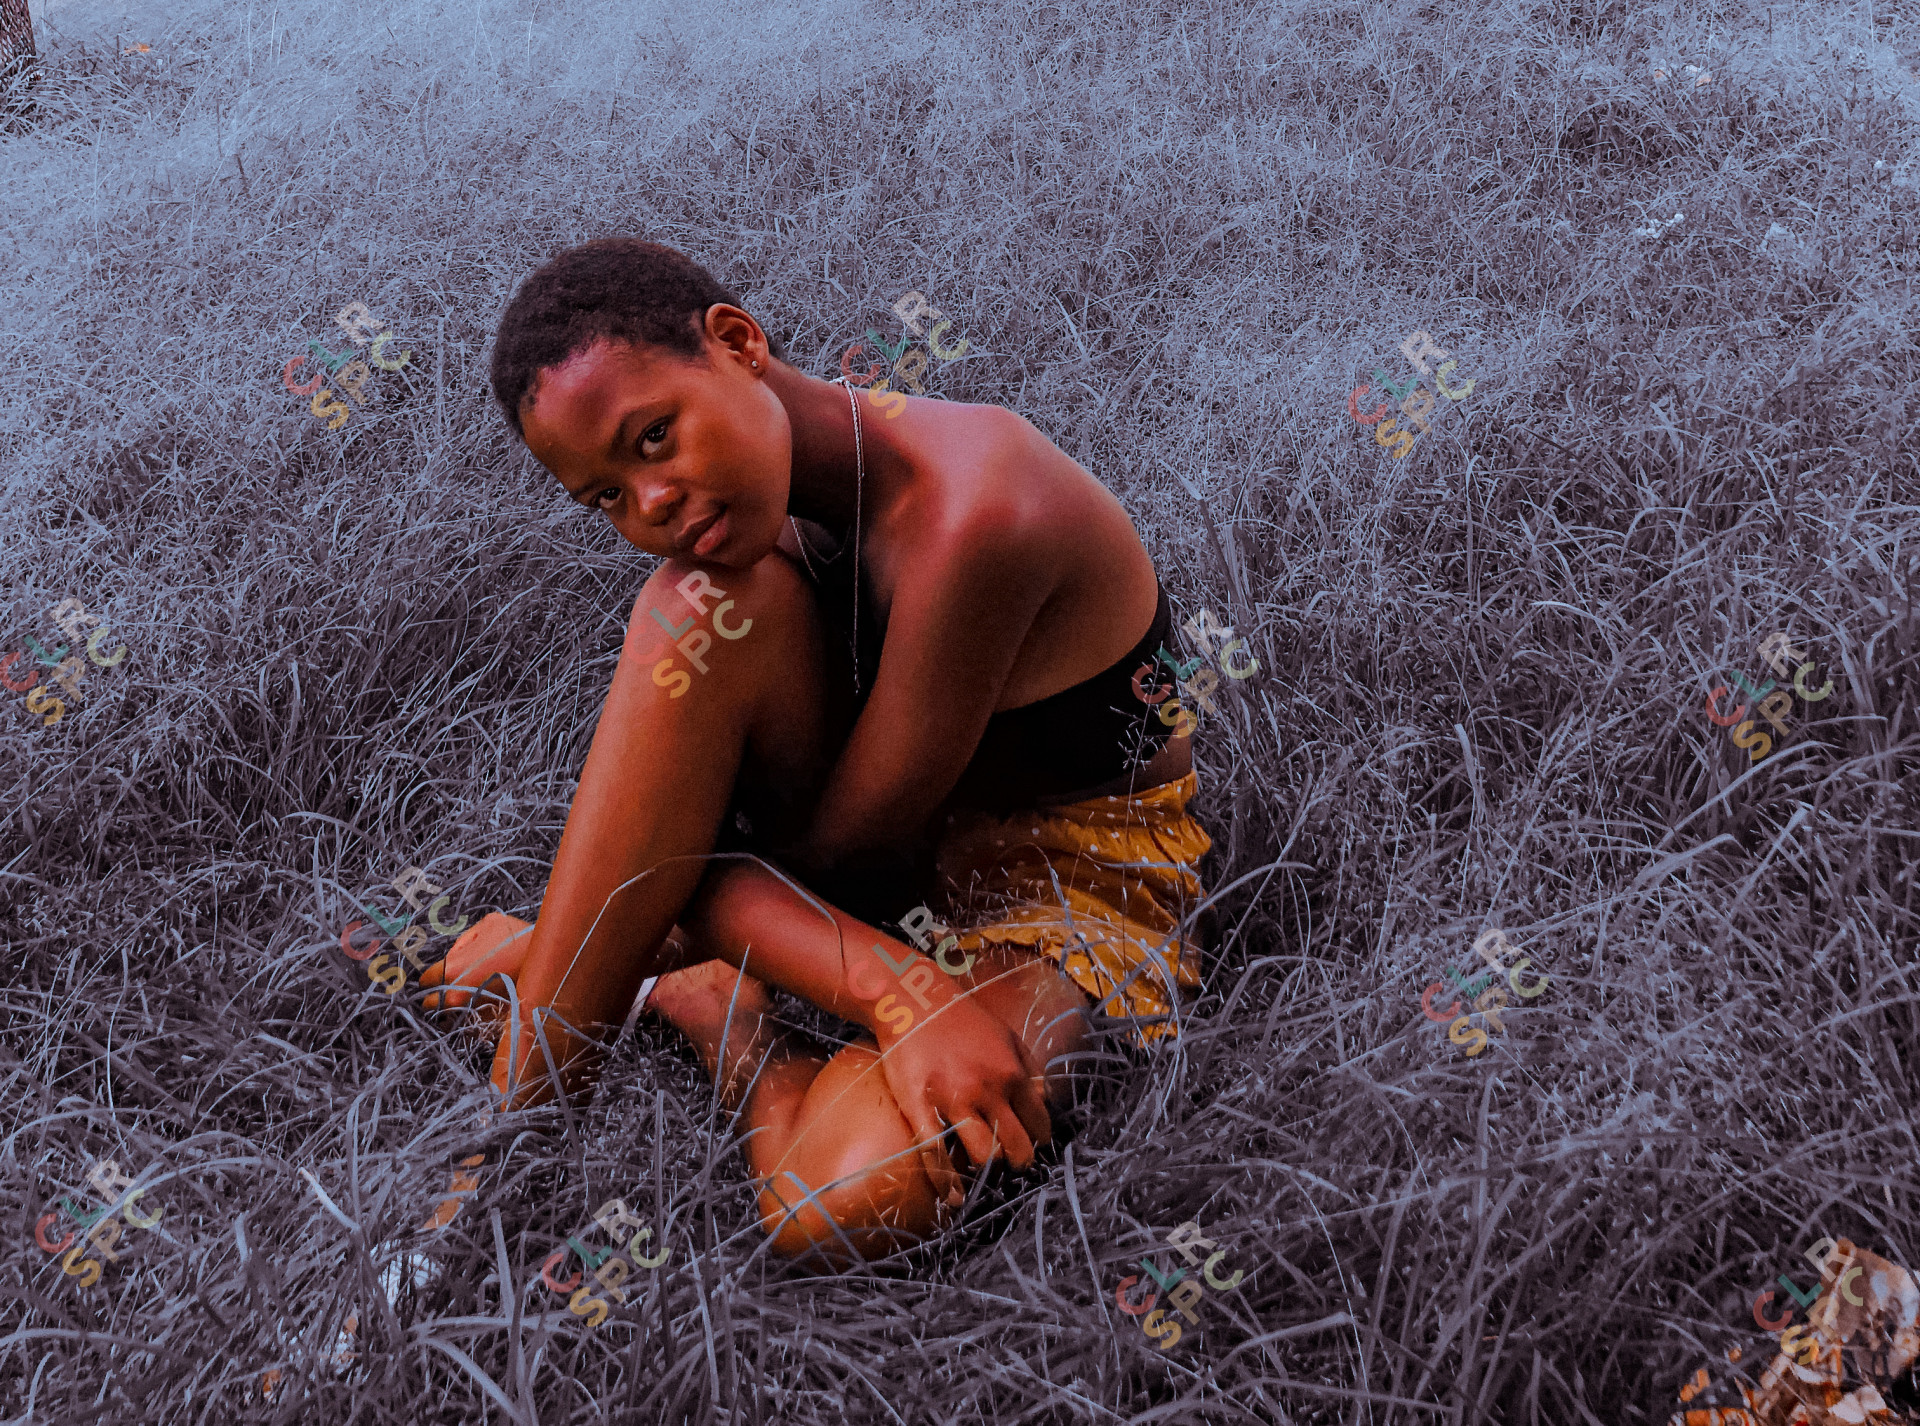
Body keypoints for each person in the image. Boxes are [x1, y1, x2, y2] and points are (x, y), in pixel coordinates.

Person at [419, 238, 1213, 1265]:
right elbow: (799, 861)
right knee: (690, 615)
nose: (648, 505)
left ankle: (705, 1010)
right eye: (605, 497)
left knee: (838, 1198)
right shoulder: (750, 529)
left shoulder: (978, 518)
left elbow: (832, 865)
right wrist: (896, 985)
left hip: (1060, 884)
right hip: (882, 852)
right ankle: (481, 1183)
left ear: (739, 344)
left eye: (653, 436)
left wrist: (627, 930)